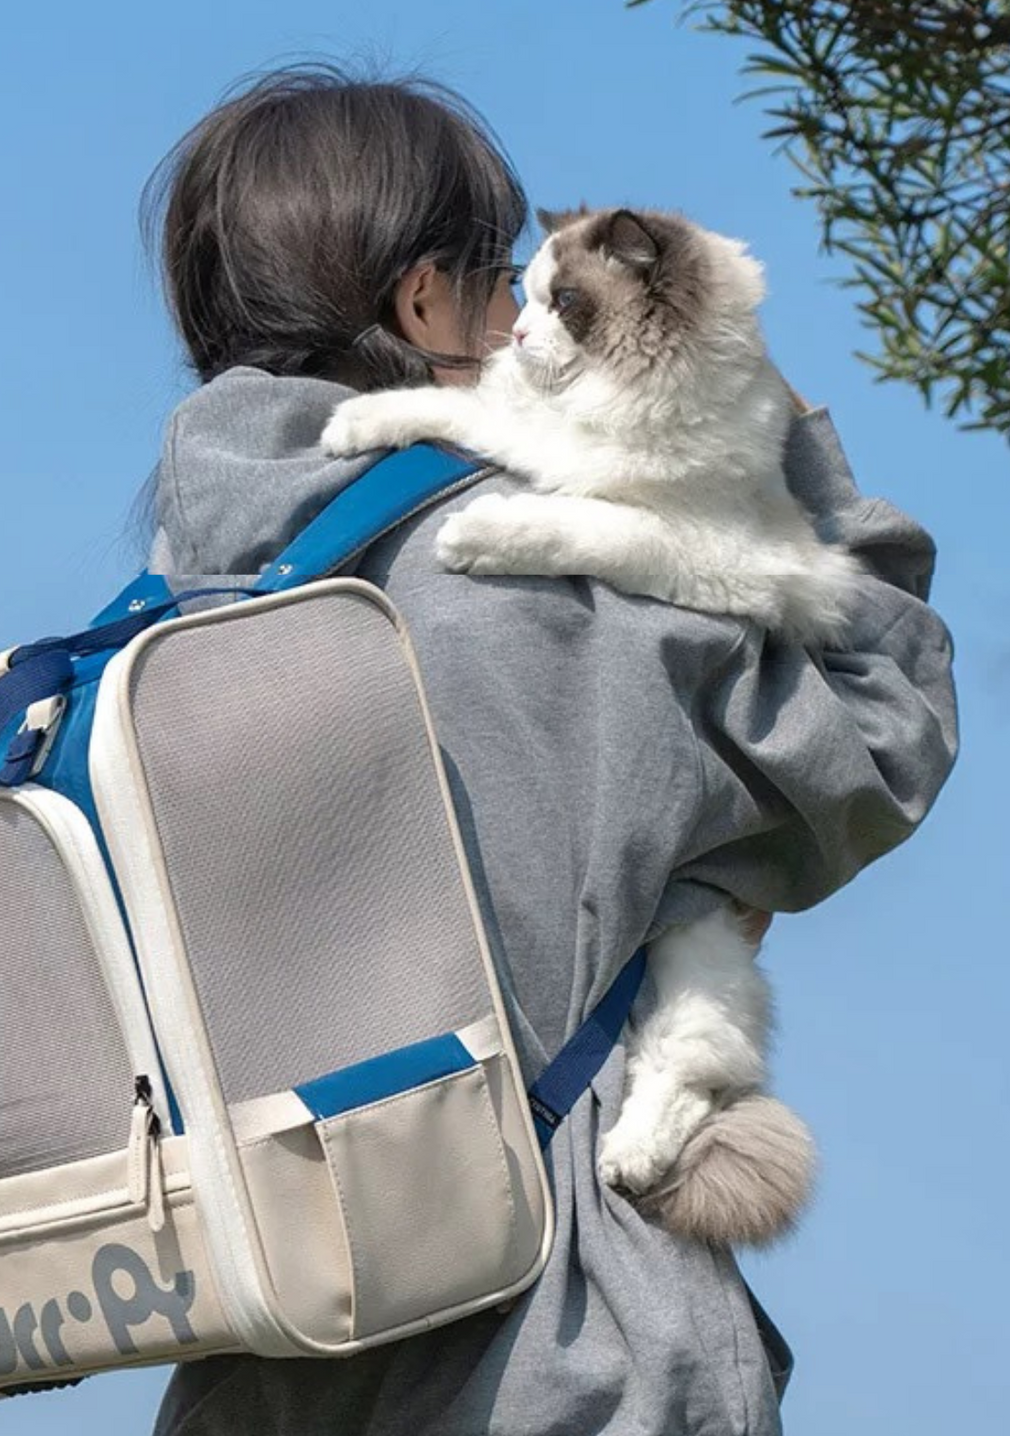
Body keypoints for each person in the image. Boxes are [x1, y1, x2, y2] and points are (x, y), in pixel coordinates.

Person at [139, 65, 958, 1436]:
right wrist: (761, 423)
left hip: (266, 1367)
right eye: (506, 284)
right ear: (420, 303)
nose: (524, 318)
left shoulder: (164, 631)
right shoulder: (545, 588)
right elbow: (884, 727)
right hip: (565, 1354)